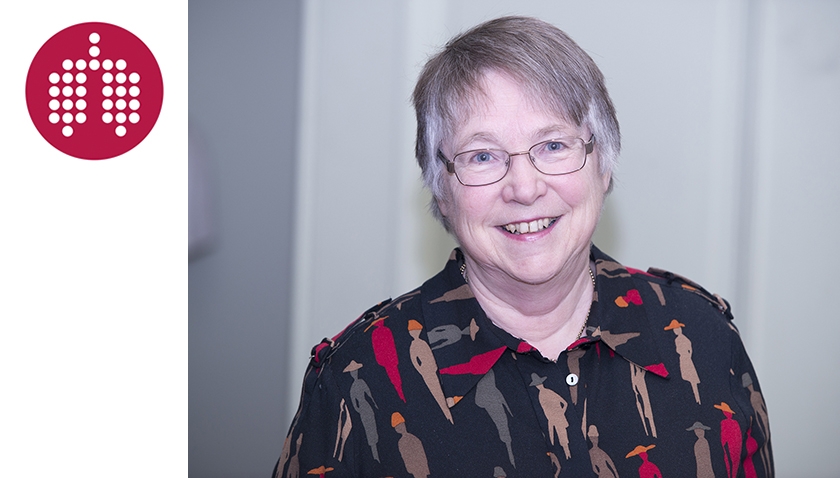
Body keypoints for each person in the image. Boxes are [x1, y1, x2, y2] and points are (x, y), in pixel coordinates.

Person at [273, 16, 773, 477]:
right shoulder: (355, 379)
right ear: (442, 190)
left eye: (553, 146)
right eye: (483, 155)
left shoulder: (705, 339)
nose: (524, 187)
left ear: (603, 163)